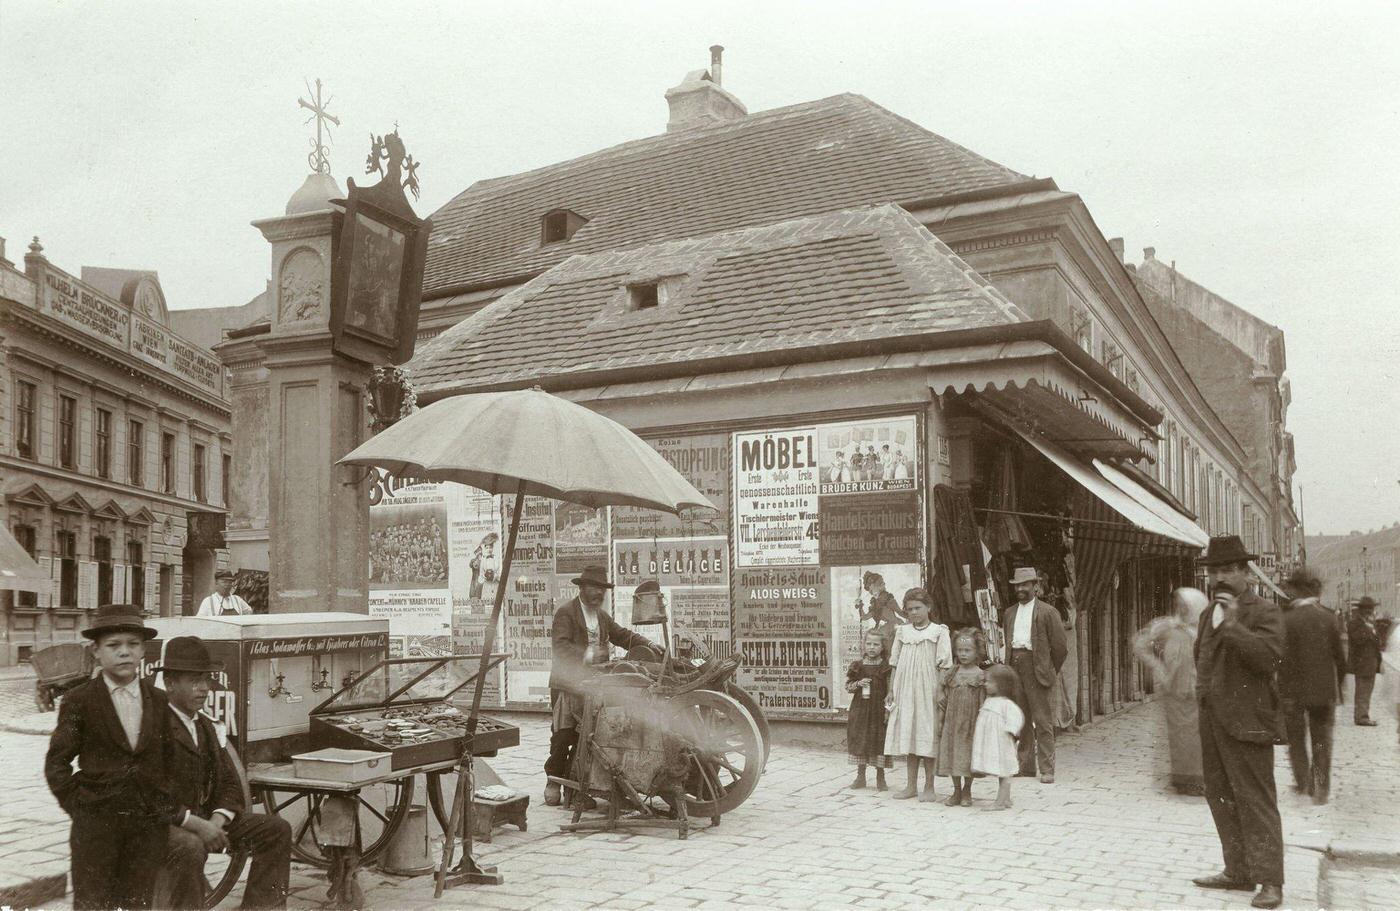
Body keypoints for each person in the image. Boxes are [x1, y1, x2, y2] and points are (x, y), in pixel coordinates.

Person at [45, 604, 171, 910]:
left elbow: (168, 758)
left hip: (145, 826)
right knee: (93, 900)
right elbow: (57, 763)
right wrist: (81, 806)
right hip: (96, 827)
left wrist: (160, 804)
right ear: (96, 652)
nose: (124, 653)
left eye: (133, 644)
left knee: (137, 899)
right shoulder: (80, 701)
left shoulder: (157, 699)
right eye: (113, 646)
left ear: (143, 651)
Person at [158, 636, 291, 909]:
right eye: (194, 681)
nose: (204, 688)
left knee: (276, 830)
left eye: (207, 680)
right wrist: (197, 825)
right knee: (191, 846)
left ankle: (261, 907)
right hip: (168, 825)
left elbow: (230, 783)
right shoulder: (154, 727)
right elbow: (153, 795)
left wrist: (219, 819)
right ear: (170, 683)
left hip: (207, 818)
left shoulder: (206, 726)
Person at [1191, 535, 1286, 910]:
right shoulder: (1205, 614)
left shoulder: (1263, 611)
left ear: (1245, 572)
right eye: (1214, 571)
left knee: (1256, 801)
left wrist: (1231, 625)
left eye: (1228, 570)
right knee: (1220, 796)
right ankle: (1238, 870)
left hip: (1249, 721)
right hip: (1212, 719)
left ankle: (1271, 882)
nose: (1220, 578)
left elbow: (1269, 659)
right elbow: (1202, 657)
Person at [544, 566, 660, 806]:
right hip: (568, 684)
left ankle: (577, 789)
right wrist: (588, 654)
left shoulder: (601, 616)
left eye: (602, 589)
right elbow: (560, 647)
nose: (598, 593)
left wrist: (649, 643)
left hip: (593, 686)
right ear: (582, 588)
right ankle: (553, 781)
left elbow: (622, 635)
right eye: (594, 587)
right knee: (562, 736)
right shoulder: (566, 613)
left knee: (588, 738)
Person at [1133, 586, 1209, 795]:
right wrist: (1158, 667)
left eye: (1185, 606)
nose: (1181, 609)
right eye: (1179, 605)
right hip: (1174, 691)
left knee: (1198, 738)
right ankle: (1182, 780)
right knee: (1179, 738)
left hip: (1197, 691)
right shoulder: (1167, 627)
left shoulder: (1204, 629)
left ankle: (1198, 779)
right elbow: (1140, 644)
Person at [1279, 568, 1344, 804]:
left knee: (1296, 740)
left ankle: (1303, 783)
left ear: (1299, 590)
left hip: (1293, 693)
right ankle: (1321, 789)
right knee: (1322, 741)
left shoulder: (1286, 619)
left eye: (1291, 588)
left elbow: (1281, 659)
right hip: (1324, 692)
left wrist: (1282, 689)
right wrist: (1338, 689)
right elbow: (1340, 658)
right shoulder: (1329, 617)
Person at [883, 587, 952, 801]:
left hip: (928, 688)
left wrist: (940, 690)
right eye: (909, 609)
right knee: (910, 735)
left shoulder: (939, 632)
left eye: (918, 608)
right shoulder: (902, 632)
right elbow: (894, 663)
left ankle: (929, 787)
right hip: (905, 689)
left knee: (927, 734)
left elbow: (945, 665)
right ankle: (910, 786)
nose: (913, 612)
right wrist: (891, 690)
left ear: (928, 607)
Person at [1003, 566, 1067, 783]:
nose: (1020, 589)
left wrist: (1048, 669)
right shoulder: (1009, 613)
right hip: (1016, 666)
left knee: (1043, 720)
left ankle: (1047, 769)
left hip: (1037, 668)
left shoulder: (1048, 612)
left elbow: (1060, 648)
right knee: (1021, 719)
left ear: (1035, 586)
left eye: (1025, 585)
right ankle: (1026, 766)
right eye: (1017, 586)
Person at [937, 627, 988, 806]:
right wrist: (941, 719)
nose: (963, 654)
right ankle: (956, 790)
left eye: (968, 650)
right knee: (953, 754)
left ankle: (967, 790)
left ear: (977, 652)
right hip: (953, 721)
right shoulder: (952, 673)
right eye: (960, 650)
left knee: (967, 755)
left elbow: (983, 701)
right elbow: (943, 696)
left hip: (970, 723)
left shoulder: (981, 675)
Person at [972, 664, 1024, 811]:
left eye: (989, 682)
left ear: (1001, 685)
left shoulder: (1006, 704)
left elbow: (1016, 719)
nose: (985, 684)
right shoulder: (990, 700)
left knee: (1004, 771)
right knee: (1002, 770)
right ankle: (1006, 799)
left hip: (1001, 742)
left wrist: (1011, 731)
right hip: (992, 742)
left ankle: (1000, 802)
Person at [845, 631, 892, 791]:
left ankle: (881, 777)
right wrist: (858, 683)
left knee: (878, 740)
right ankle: (860, 776)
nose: (872, 647)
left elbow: (890, 690)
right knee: (861, 739)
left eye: (876, 644)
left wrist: (888, 710)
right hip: (860, 710)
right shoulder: (857, 666)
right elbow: (848, 687)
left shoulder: (886, 667)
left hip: (878, 710)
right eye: (869, 644)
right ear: (864, 645)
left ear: (882, 646)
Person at [1348, 596, 1383, 726]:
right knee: (1362, 690)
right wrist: (1369, 630)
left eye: (1372, 608)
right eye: (1369, 608)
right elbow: (1357, 640)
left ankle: (1363, 715)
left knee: (1367, 690)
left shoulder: (1371, 623)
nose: (1371, 611)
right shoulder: (1354, 623)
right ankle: (1361, 717)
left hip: (1371, 663)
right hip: (1361, 663)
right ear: (1362, 610)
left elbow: (1376, 642)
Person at [856, 571, 904, 655]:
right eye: (869, 589)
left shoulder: (888, 599)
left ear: (877, 586)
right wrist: (860, 606)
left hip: (893, 629)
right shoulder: (874, 603)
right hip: (882, 631)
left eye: (871, 588)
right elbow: (865, 617)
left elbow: (900, 612)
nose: (870, 591)